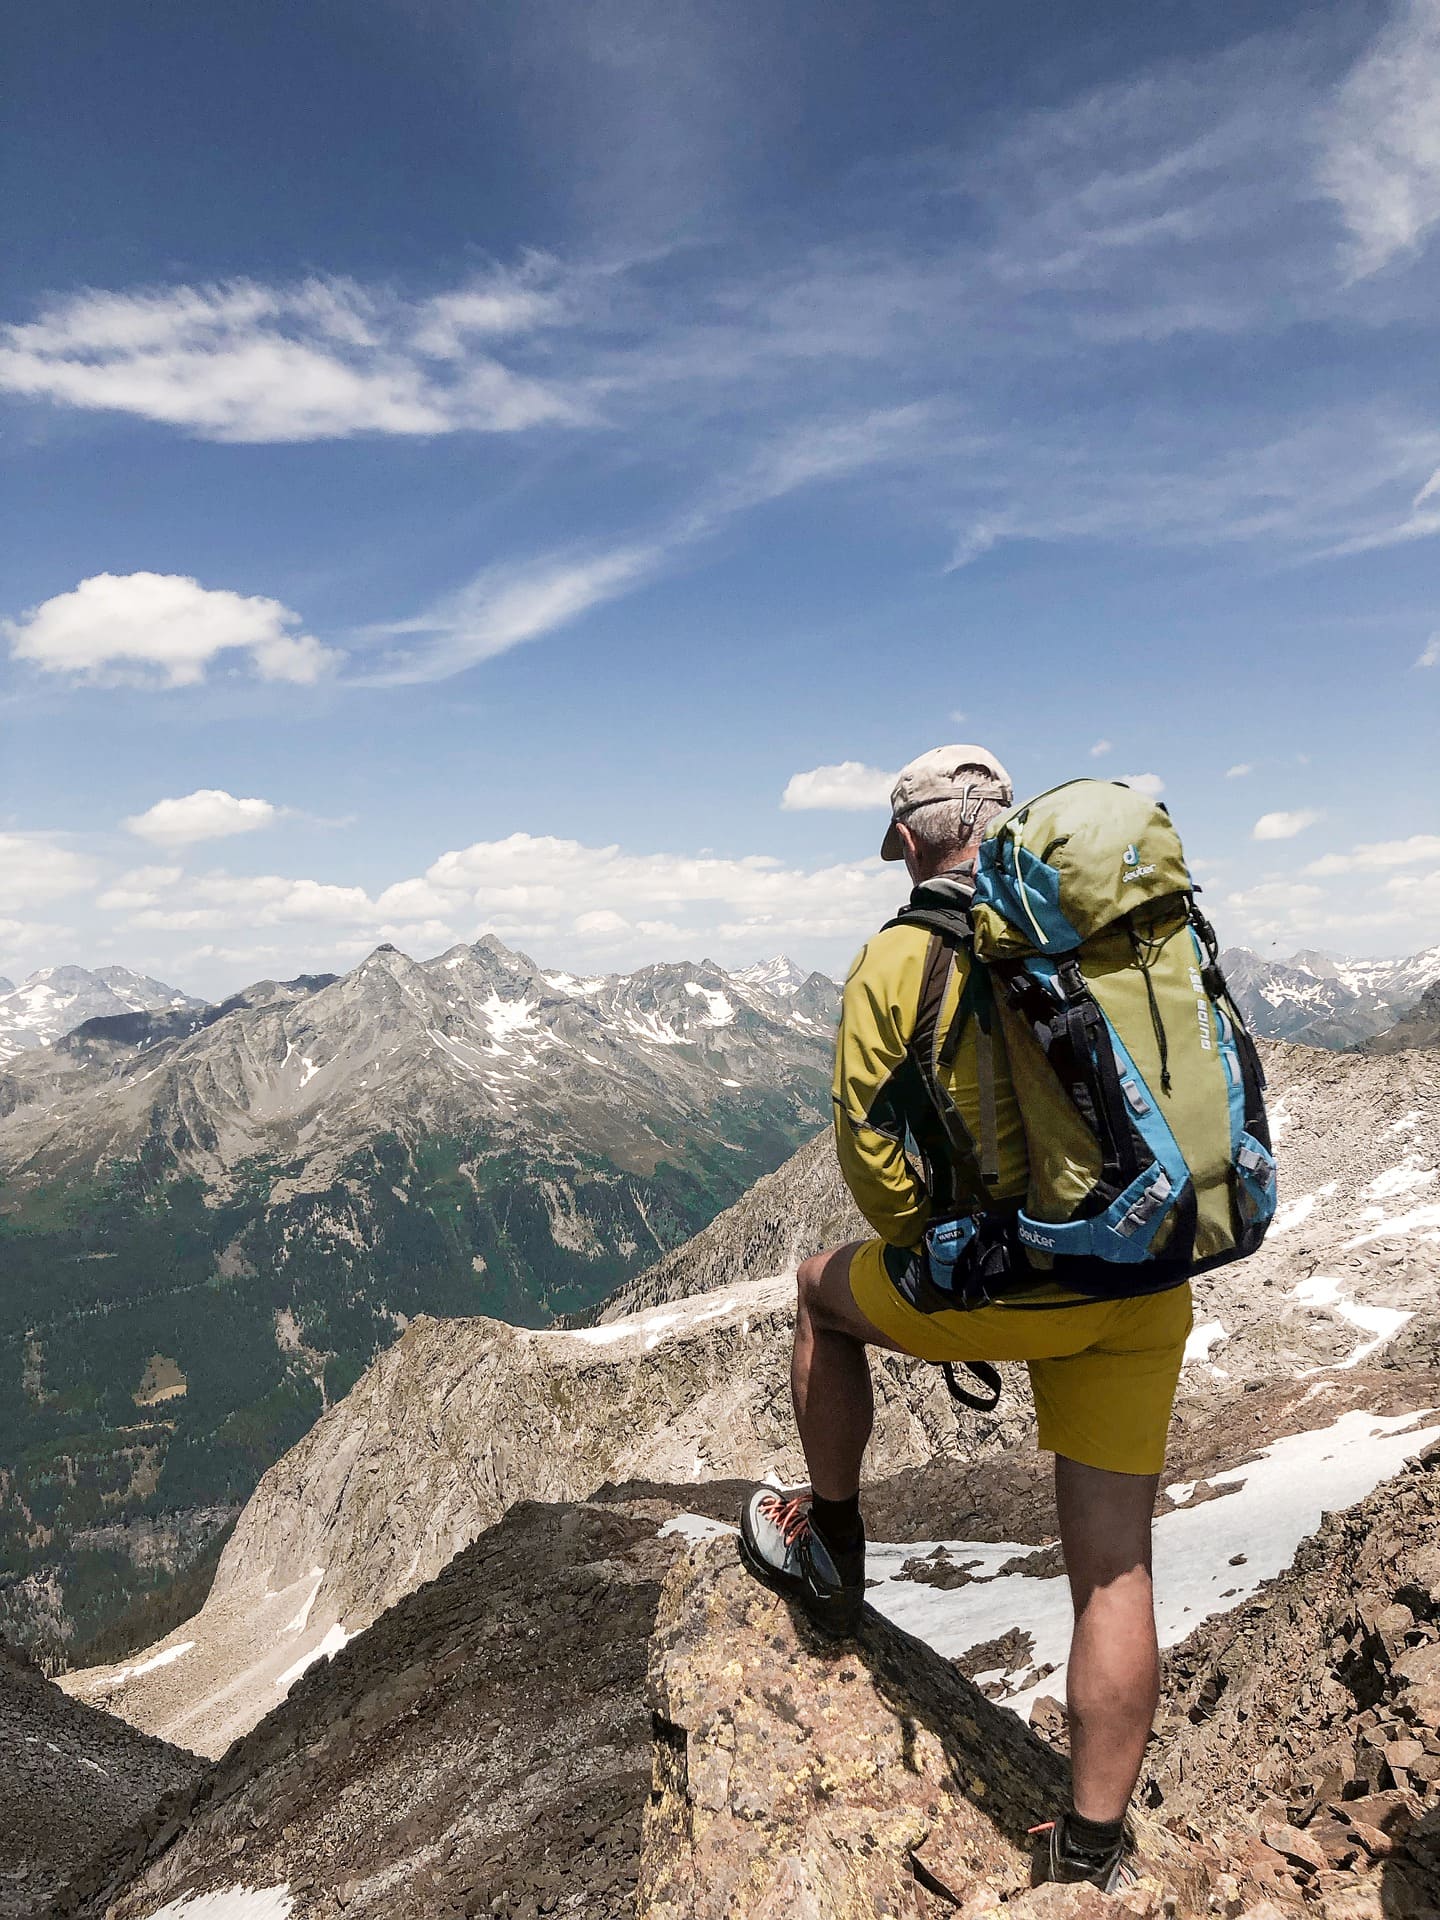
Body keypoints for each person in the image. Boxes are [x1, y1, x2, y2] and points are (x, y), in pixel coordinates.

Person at [737, 745, 1194, 1893]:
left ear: (907, 842)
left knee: (815, 1295)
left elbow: (874, 1168)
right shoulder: (1099, 929)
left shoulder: (896, 960)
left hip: (1006, 1284)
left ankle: (830, 1549)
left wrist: (949, 1240)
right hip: (1142, 1284)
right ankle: (1087, 1856)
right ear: (1004, 821)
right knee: (1112, 1574)